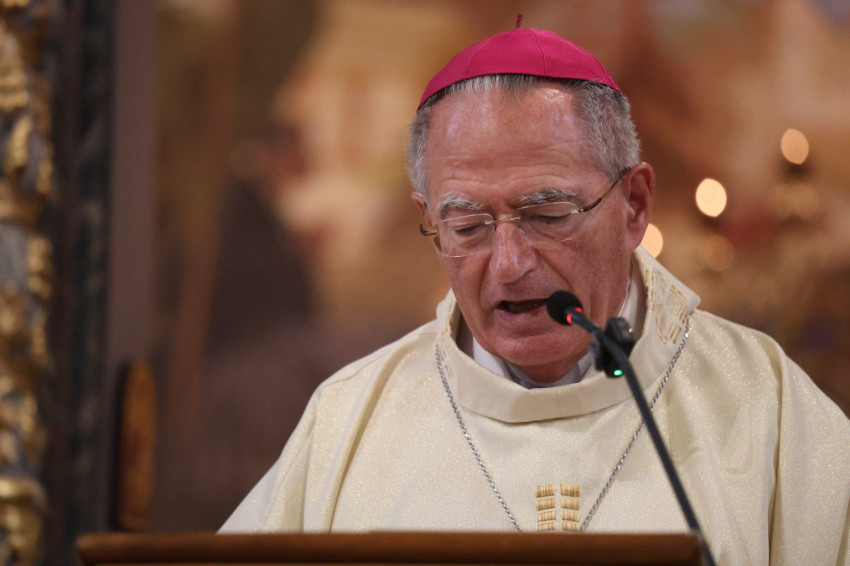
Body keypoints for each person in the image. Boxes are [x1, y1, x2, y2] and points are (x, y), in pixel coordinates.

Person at [220, 27, 850, 566]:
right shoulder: (349, 423)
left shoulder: (764, 406)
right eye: (468, 226)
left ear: (634, 206)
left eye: (548, 215)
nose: (510, 264)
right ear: (429, 221)